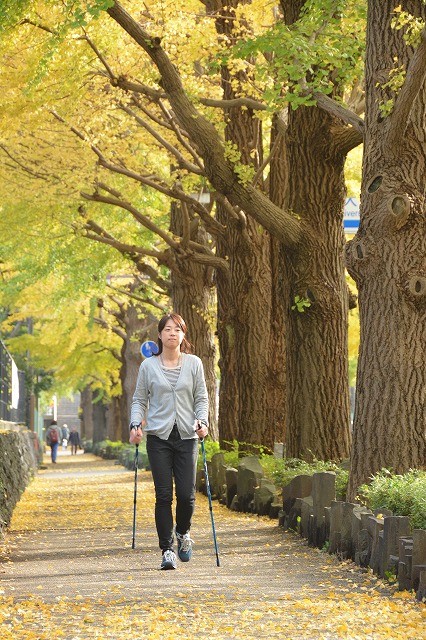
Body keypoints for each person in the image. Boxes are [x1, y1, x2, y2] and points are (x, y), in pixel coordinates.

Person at [129, 313, 209, 570]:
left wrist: (202, 421)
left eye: (177, 329)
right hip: (159, 437)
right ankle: (167, 550)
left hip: (187, 436)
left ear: (183, 334)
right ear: (160, 335)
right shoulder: (148, 366)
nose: (172, 333)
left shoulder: (194, 363)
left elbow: (201, 398)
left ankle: (183, 533)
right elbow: (140, 399)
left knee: (186, 495)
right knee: (163, 495)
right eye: (168, 329)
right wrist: (135, 423)